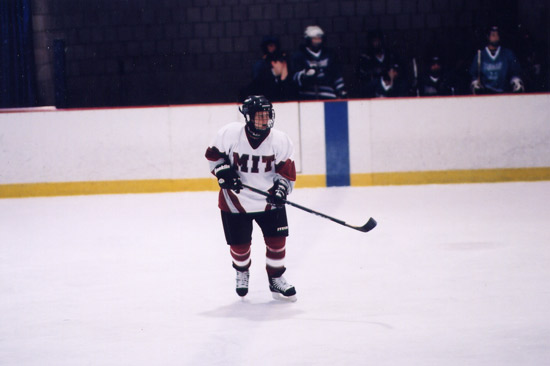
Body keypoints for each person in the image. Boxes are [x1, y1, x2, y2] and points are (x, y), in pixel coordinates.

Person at [204, 95, 297, 301]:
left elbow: (286, 172)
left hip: (269, 202)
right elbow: (213, 155)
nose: (264, 120)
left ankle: (276, 278)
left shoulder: (280, 140)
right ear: (247, 117)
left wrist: (281, 191)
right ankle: (241, 271)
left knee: (277, 243)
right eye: (259, 116)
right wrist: (224, 172)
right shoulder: (230, 134)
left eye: (267, 115)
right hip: (235, 202)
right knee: (240, 247)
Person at [291, 25, 347, 100]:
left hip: (328, 96)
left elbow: (337, 75)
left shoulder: (330, 55)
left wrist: (341, 91)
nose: (317, 41)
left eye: (319, 38)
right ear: (308, 40)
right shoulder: (299, 56)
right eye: (314, 39)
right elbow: (294, 78)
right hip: (307, 98)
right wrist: (305, 75)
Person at [469, 26, 524, 94]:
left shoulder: (508, 54)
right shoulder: (480, 55)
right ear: (487, 36)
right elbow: (474, 75)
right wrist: (475, 84)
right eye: (493, 35)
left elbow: (515, 73)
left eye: (497, 35)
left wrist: (516, 82)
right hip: (486, 93)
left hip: (504, 92)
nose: (496, 37)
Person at [357, 30, 399, 97]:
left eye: (379, 40)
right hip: (374, 94)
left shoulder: (390, 56)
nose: (377, 43)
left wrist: (393, 74)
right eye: (374, 41)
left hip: (391, 91)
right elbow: (364, 79)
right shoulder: (365, 58)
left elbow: (397, 71)